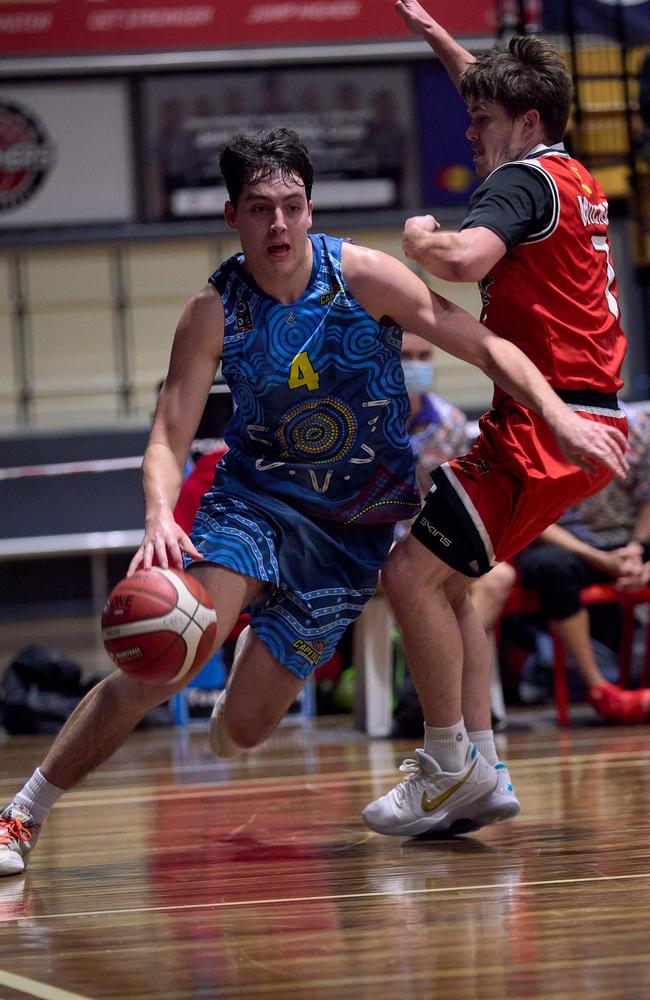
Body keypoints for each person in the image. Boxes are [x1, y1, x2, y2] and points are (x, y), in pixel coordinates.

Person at [0, 127, 627, 876]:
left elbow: (488, 347)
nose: (278, 225)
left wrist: (559, 414)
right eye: (260, 208)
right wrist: (157, 514)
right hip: (255, 510)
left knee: (240, 733)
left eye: (292, 206)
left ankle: (256, 661)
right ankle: (20, 816)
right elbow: (169, 435)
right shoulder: (213, 309)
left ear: (311, 207)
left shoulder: (364, 277)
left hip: (348, 539)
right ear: (232, 214)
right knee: (163, 659)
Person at [361, 3, 630, 839]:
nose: (469, 131)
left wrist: (421, 236)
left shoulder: (517, 182)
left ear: (528, 120)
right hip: (581, 420)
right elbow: (498, 99)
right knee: (457, 583)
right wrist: (441, 39)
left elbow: (466, 257)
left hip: (547, 425)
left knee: (407, 574)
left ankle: (446, 767)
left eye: (480, 121)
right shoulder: (569, 174)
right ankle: (482, 765)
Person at [393, 332, 516, 734]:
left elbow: (458, 495)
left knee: (500, 578)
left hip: (432, 541)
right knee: (417, 581)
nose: (416, 364)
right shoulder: (362, 416)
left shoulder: (447, 421)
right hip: (375, 544)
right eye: (406, 355)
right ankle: (442, 699)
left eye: (424, 355)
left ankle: (427, 691)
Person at [516, 404, 650, 723]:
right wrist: (599, 558)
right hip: (565, 543)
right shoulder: (532, 429)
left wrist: (637, 550)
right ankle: (600, 690)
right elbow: (530, 516)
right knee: (551, 567)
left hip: (627, 541)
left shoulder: (639, 426)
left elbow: (648, 497)